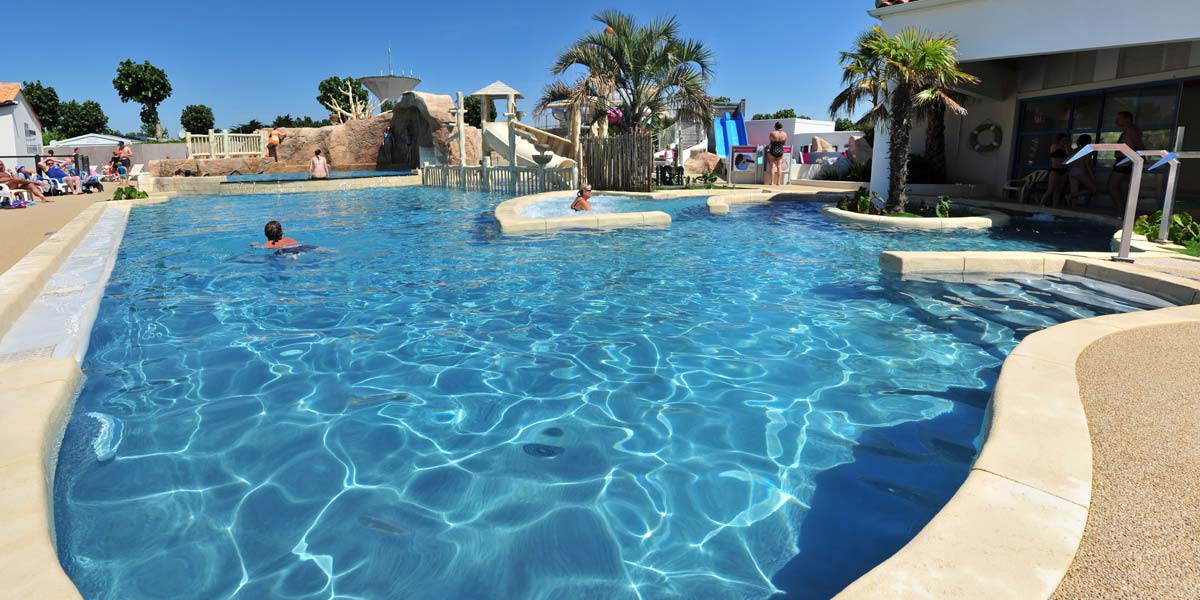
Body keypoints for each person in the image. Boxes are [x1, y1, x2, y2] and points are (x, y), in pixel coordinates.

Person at [1108, 111, 1145, 216]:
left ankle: (1121, 212)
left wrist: (1143, 157)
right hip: (1126, 160)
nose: (1116, 121)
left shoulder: (1131, 130)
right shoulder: (1129, 130)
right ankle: (1124, 213)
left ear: (1127, 119)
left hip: (1125, 160)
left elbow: (1139, 144)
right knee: (1123, 186)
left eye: (1119, 118)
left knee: (1112, 186)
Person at [1039, 134, 1071, 208]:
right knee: (1050, 189)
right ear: (1059, 140)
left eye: (1066, 140)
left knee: (1058, 190)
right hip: (1055, 170)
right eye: (1063, 140)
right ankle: (1040, 205)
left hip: (1064, 171)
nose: (1065, 142)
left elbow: (1069, 157)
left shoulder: (1067, 148)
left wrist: (1067, 147)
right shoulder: (1054, 146)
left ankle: (1055, 207)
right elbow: (1055, 157)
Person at [1067, 134, 1099, 207]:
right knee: (1094, 189)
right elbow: (1087, 164)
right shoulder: (1088, 149)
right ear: (1088, 141)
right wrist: (1092, 176)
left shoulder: (1075, 150)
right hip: (1080, 171)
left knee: (1074, 191)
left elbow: (1070, 163)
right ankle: (1070, 196)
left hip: (1072, 171)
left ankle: (1073, 208)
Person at [767, 122, 788, 186]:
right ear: (781, 127)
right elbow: (784, 143)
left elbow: (770, 142)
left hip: (773, 149)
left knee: (772, 166)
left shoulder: (772, 133)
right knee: (779, 166)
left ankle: (771, 182)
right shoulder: (784, 134)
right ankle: (778, 182)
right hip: (780, 150)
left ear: (775, 127)